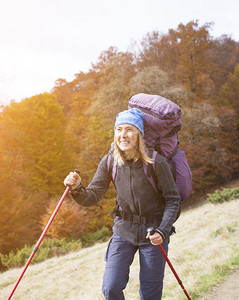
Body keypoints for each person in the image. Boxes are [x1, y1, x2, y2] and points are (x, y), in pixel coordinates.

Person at [63, 108, 181, 300]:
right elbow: (92, 196)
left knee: (150, 294)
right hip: (123, 231)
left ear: (139, 134)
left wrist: (162, 231)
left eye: (129, 129)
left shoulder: (156, 162)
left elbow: (173, 201)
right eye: (119, 129)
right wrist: (77, 188)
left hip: (153, 233)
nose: (123, 135)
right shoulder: (110, 161)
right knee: (111, 287)